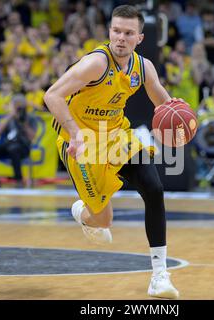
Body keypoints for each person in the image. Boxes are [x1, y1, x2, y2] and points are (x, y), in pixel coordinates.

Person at [43, 5, 182, 299]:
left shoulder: (143, 68)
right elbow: (52, 95)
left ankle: (159, 276)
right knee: (104, 221)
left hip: (116, 134)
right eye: (116, 31)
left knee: (154, 188)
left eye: (128, 33)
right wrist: (75, 132)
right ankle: (83, 212)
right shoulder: (96, 63)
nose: (121, 38)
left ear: (139, 38)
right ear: (109, 32)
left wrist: (176, 119)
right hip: (81, 142)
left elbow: (162, 101)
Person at [0, 94, 37, 187]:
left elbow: (32, 137)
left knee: (14, 149)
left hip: (23, 146)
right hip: (7, 144)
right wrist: (11, 115)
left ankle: (19, 180)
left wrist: (24, 123)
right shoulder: (10, 117)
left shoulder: (30, 118)